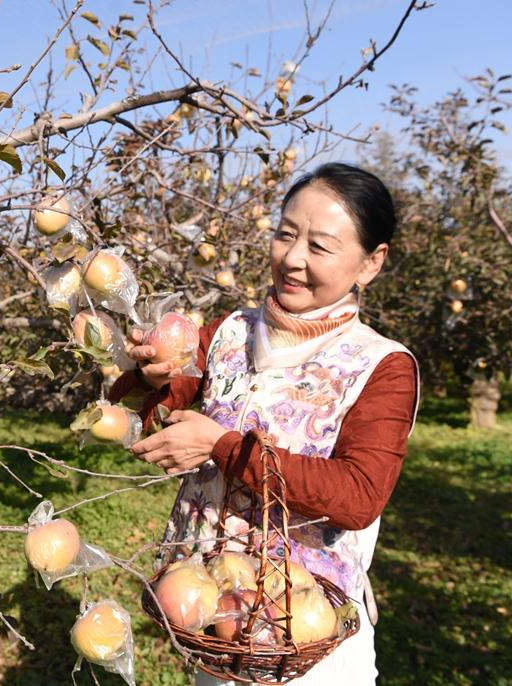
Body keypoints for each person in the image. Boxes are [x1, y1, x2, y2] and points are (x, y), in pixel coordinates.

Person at [110, 162, 419, 685]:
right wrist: (144, 376)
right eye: (285, 234)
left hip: (308, 642)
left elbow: (358, 496)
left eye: (320, 246)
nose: (293, 258)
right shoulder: (228, 333)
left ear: (371, 262)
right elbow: (149, 416)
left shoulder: (381, 366)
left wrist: (224, 447)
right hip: (215, 619)